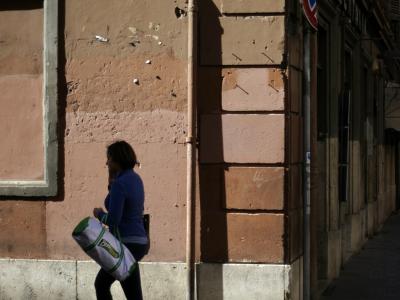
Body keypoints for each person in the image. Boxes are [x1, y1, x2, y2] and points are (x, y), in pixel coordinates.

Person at [93, 140, 148, 300]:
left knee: (101, 284)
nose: (106, 162)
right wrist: (111, 181)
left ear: (117, 159)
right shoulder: (135, 179)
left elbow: (114, 220)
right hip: (138, 242)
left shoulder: (120, 184)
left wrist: (99, 214)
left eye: (109, 158)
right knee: (134, 295)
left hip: (125, 244)